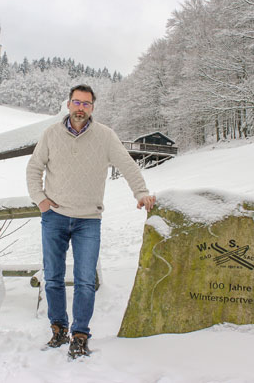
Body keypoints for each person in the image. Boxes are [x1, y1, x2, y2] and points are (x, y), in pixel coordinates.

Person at [26, 84, 156, 359]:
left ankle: (80, 335)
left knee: (85, 280)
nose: (81, 107)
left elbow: (128, 165)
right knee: (53, 278)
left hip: (88, 220)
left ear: (92, 108)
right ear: (68, 104)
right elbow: (34, 168)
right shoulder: (51, 134)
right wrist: (41, 201)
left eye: (86, 103)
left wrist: (141, 192)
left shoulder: (105, 136)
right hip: (55, 217)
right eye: (77, 102)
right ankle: (58, 328)